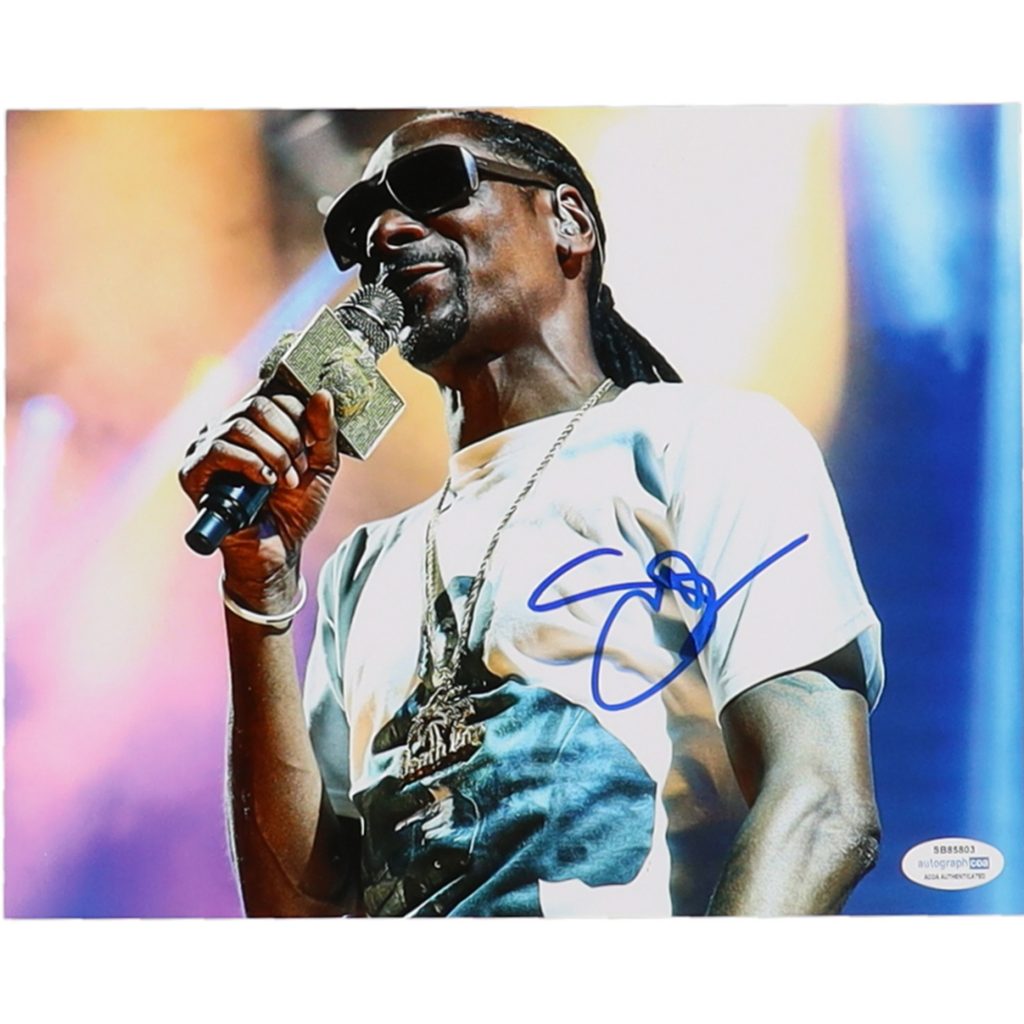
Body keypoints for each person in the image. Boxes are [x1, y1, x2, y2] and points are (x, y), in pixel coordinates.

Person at [179, 109, 884, 917]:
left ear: (568, 222)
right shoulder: (361, 569)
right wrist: (258, 599)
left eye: (433, 186)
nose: (386, 232)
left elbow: (821, 806)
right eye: (358, 225)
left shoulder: (703, 443)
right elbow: (298, 917)